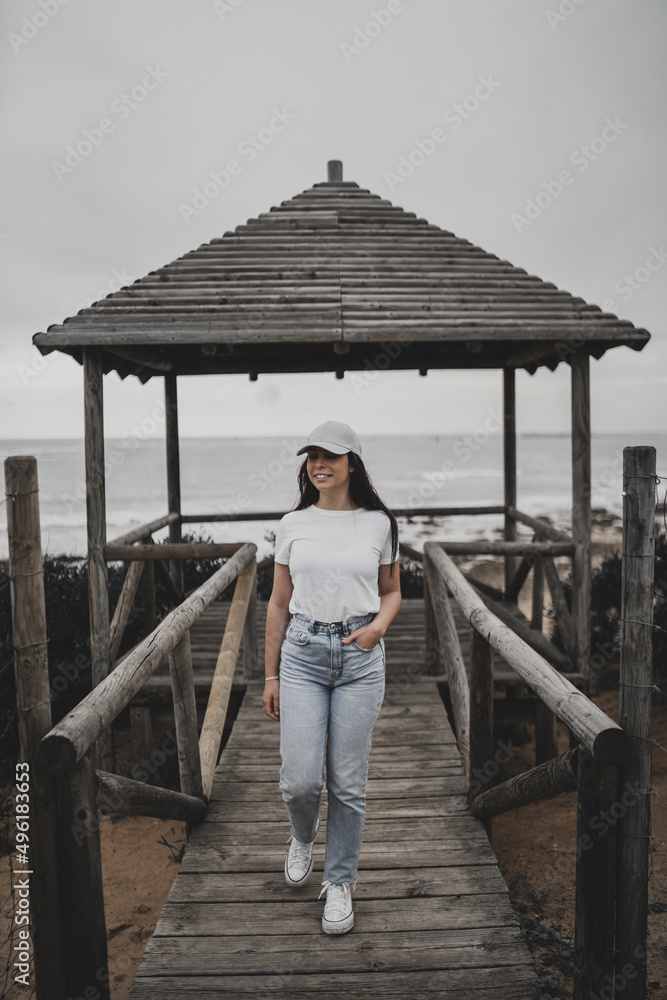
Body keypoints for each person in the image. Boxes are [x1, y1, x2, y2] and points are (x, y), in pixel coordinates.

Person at [262, 420, 402, 935]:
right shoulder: (292, 524)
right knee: (300, 781)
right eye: (312, 456)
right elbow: (278, 602)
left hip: (360, 660)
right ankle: (303, 834)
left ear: (352, 465)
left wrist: (377, 630)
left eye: (331, 456)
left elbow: (391, 592)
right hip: (301, 654)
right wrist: (270, 673)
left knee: (347, 784)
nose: (319, 463)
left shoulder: (379, 524)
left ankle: (340, 881)